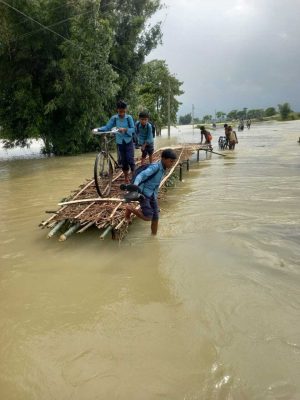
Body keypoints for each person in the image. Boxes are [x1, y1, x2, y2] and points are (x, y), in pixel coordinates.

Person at [124, 148, 177, 235]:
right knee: (148, 217)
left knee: (155, 217)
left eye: (173, 162)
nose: (172, 164)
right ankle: (130, 208)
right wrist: (135, 186)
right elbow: (141, 175)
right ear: (163, 159)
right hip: (144, 194)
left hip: (153, 195)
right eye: (171, 161)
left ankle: (153, 236)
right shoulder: (155, 167)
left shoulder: (163, 168)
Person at [93, 100, 135, 183]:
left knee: (130, 159)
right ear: (117, 110)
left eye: (123, 111)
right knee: (123, 161)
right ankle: (126, 178)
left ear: (125, 110)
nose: (121, 113)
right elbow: (107, 127)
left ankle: (134, 177)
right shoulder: (114, 118)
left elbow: (133, 129)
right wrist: (98, 129)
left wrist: (125, 129)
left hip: (128, 141)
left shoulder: (129, 118)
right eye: (119, 111)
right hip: (120, 142)